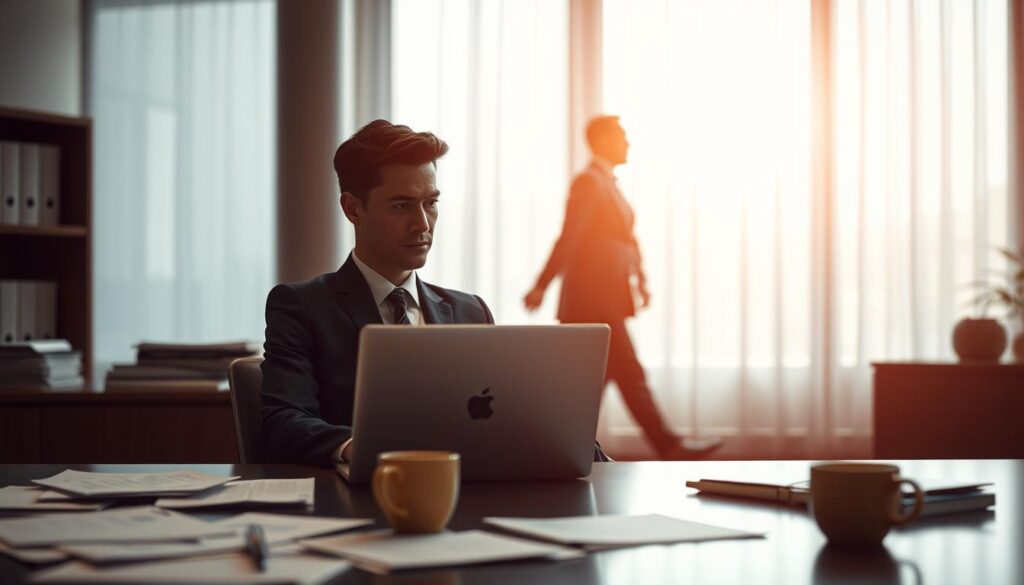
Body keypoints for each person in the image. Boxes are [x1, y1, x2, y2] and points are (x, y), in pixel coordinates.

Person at [259, 120, 494, 466]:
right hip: (355, 501)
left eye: (430, 203)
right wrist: (365, 449)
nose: (423, 224)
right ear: (353, 209)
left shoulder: (470, 311)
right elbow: (282, 423)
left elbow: (504, 416)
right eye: (402, 206)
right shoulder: (301, 307)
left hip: (465, 497)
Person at [523, 115, 722, 460]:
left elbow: (627, 239)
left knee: (593, 385)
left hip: (608, 299)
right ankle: (665, 446)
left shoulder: (608, 184)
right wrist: (541, 284)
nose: (628, 143)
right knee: (619, 377)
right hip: (592, 303)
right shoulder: (588, 182)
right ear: (602, 140)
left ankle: (565, 448)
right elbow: (570, 236)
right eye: (622, 136)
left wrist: (640, 279)